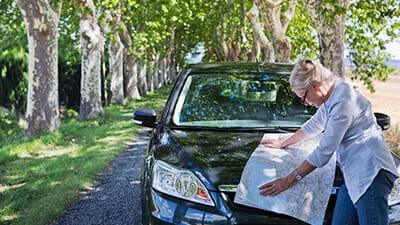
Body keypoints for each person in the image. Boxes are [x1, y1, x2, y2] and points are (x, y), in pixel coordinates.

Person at [258, 56, 398, 225]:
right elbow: (315, 125)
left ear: (315, 86)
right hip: (352, 175)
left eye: (304, 98)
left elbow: (324, 151)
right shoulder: (331, 95)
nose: (307, 103)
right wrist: (284, 142)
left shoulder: (343, 101)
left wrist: (288, 180)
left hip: (371, 173)